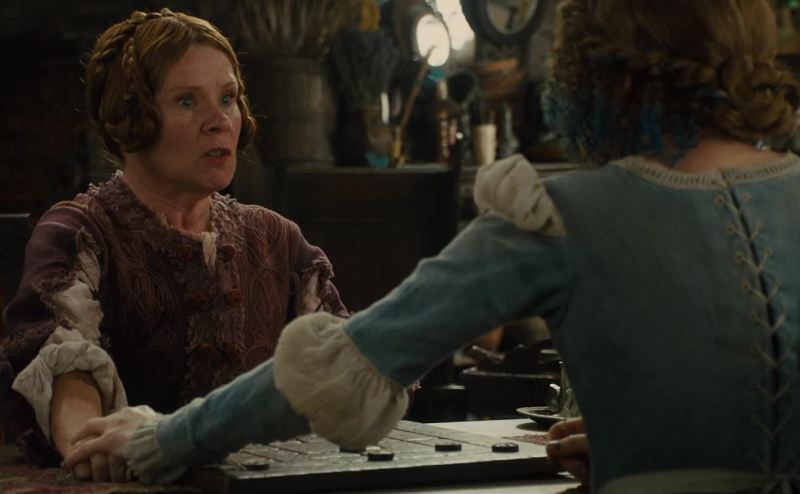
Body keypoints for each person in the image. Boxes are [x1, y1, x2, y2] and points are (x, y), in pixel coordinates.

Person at [63, 0, 800, 492]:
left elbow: (346, 365)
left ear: (596, 71)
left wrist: (164, 439)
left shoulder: (555, 214)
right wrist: (652, 441)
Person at [0, 8, 347, 483]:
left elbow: (343, 366)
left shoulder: (277, 240)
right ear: (133, 117)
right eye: (187, 101)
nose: (219, 121)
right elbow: (64, 363)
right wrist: (91, 440)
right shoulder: (81, 232)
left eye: (228, 98)